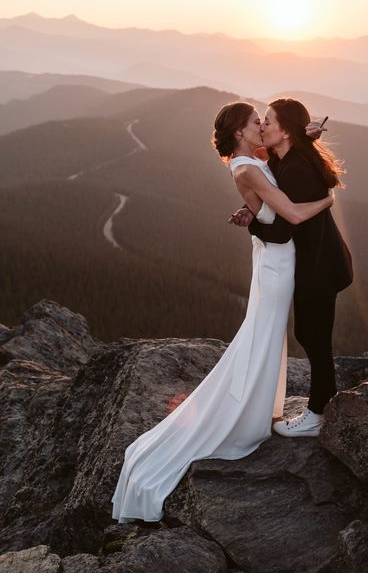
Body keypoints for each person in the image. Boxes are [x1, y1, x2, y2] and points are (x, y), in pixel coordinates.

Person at [111, 101, 333, 523]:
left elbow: (280, 159)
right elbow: (291, 213)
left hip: (276, 256)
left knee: (265, 334)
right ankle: (244, 418)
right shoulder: (246, 167)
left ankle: (258, 407)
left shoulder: (252, 158)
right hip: (278, 261)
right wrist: (327, 199)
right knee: (263, 334)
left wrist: (306, 133)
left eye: (266, 122)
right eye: (256, 122)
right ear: (239, 133)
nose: (262, 125)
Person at [232, 98, 353, 437]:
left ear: (284, 131)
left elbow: (283, 231)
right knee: (310, 335)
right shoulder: (287, 157)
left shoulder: (296, 169)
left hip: (319, 266)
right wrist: (306, 134)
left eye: (268, 121)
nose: (263, 126)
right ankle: (320, 408)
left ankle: (316, 415)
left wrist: (253, 224)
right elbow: (266, 166)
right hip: (315, 261)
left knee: (315, 339)